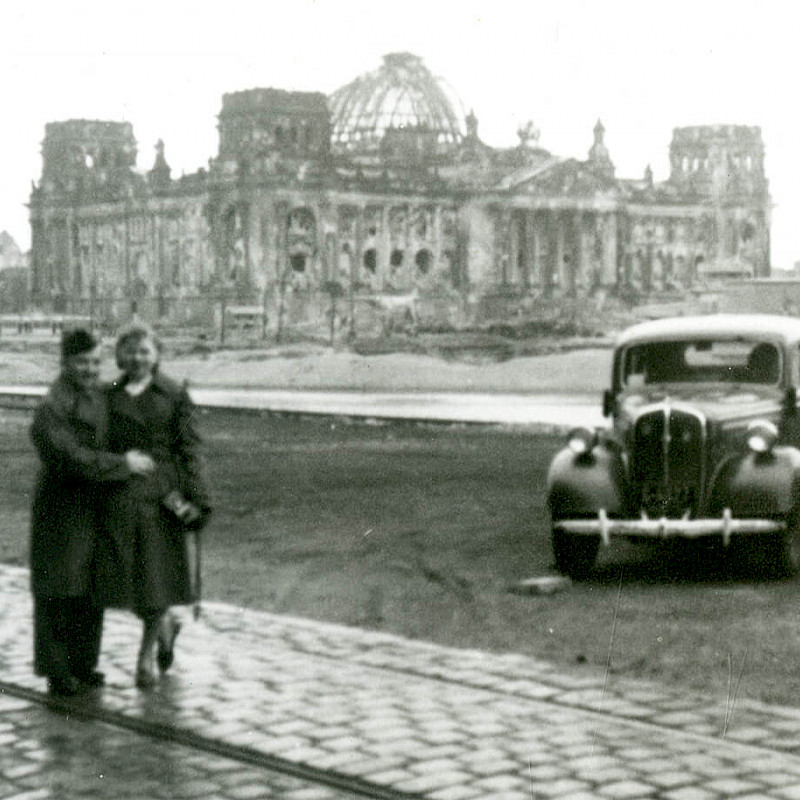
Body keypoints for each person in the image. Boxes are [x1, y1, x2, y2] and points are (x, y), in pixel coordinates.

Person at [30, 329, 155, 697]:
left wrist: (142, 369)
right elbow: (72, 458)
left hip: (93, 507)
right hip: (62, 509)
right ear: (65, 363)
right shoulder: (52, 407)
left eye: (95, 361)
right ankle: (58, 671)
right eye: (81, 362)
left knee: (88, 588)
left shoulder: (99, 391)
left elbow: (125, 383)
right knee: (59, 589)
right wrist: (124, 464)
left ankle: (84, 665)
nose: (89, 369)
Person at [98, 323, 211, 689]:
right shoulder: (107, 394)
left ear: (157, 355)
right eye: (129, 351)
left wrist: (198, 498)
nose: (137, 358)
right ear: (119, 356)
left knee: (154, 577)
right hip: (117, 494)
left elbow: (191, 449)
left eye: (144, 351)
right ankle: (164, 625)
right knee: (123, 579)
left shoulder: (175, 395)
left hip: (161, 497)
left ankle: (145, 655)